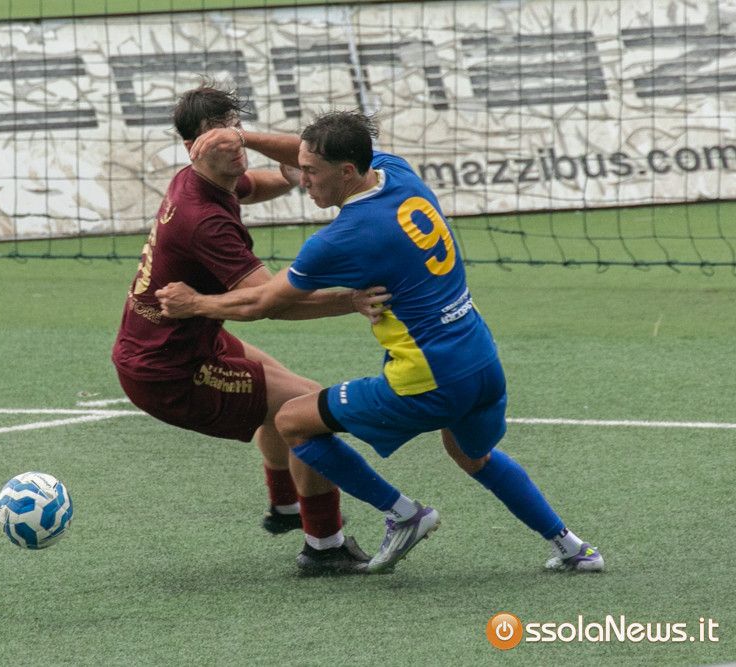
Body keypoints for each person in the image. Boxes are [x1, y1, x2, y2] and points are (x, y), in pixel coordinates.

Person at [156, 111, 605, 574]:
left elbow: (264, 302)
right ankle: (573, 548)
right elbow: (310, 149)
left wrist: (197, 304)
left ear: (347, 171)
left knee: (293, 421)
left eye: (310, 172)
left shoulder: (343, 237)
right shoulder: (396, 172)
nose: (300, 180)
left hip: (427, 377)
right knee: (473, 456)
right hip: (480, 359)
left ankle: (404, 514)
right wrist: (241, 136)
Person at [112, 88, 387, 575]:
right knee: (304, 408)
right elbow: (272, 303)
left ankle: (285, 504)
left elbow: (256, 184)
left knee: (282, 390)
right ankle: (324, 547)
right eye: (218, 137)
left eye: (235, 128)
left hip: (181, 340)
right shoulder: (204, 222)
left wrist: (292, 173)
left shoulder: (203, 179)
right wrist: (351, 300)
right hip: (169, 370)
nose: (233, 143)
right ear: (193, 149)